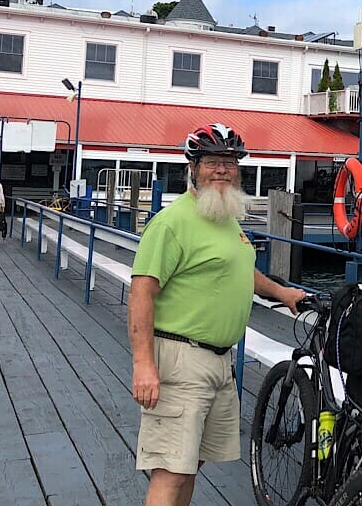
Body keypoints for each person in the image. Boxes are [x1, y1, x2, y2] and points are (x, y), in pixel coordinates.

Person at [128, 123, 305, 506]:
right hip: (180, 360)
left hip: (220, 363)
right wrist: (143, 364)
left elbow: (242, 271)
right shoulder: (173, 223)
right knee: (171, 470)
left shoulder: (225, 219)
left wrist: (282, 292)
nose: (222, 169)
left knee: (191, 463)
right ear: (192, 167)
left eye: (230, 161)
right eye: (212, 161)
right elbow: (142, 289)